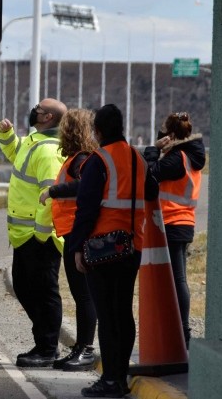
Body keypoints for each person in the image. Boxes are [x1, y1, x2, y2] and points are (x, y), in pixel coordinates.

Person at [65, 104, 158, 398]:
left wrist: (78, 246)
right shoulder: (137, 158)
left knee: (107, 316)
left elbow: (86, 208)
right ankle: (120, 376)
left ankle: (111, 380)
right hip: (132, 247)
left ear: (99, 131)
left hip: (102, 249)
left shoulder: (98, 160)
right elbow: (152, 192)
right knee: (123, 312)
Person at [0, 98, 67, 368]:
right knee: (25, 288)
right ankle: (44, 341)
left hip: (39, 237)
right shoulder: (33, 142)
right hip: (25, 236)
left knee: (44, 291)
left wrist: (41, 233)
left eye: (38, 108)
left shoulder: (48, 151)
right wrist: (6, 135)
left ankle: (47, 349)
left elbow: (50, 197)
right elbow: (17, 156)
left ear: (47, 117)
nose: (33, 110)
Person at [38, 109, 100, 372]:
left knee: (84, 296)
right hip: (72, 233)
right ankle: (80, 347)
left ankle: (86, 349)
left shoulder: (81, 160)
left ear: (71, 131)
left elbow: (86, 186)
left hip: (79, 233)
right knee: (80, 294)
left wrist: (54, 190)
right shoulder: (77, 158)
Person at [142, 112, 206, 348]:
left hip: (171, 221)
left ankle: (182, 331)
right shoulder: (189, 155)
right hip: (183, 221)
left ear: (170, 135)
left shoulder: (176, 159)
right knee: (177, 279)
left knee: (177, 279)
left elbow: (149, 177)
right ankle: (179, 329)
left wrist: (153, 149)